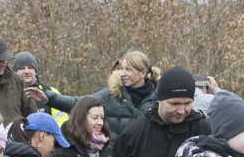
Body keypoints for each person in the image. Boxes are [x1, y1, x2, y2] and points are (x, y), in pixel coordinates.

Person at [25, 50, 160, 137]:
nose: (123, 73)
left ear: (143, 73)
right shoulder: (111, 94)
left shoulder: (160, 99)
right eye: (122, 69)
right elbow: (78, 103)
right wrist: (48, 98)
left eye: (128, 70)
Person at [12, 51, 69, 125]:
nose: (26, 71)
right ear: (15, 72)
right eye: (22, 68)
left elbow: (62, 122)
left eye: (30, 67)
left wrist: (50, 135)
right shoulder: (8, 93)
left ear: (35, 71)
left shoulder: (51, 91)